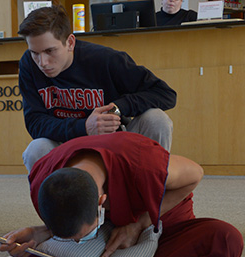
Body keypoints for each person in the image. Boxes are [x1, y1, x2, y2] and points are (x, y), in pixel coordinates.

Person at [0, 132, 244, 257]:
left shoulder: (142, 163)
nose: (76, 243)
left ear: (101, 202)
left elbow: (195, 174)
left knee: (224, 239)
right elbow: (66, 219)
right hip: (103, 235)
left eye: (80, 237)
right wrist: (40, 233)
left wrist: (138, 224)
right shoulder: (44, 175)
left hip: (153, 222)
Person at [18, 5, 177, 173]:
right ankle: (55, 200)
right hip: (66, 143)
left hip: (113, 140)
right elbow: (35, 123)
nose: (42, 62)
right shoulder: (28, 64)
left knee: (156, 119)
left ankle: (151, 189)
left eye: (50, 51)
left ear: (70, 43)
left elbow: (165, 94)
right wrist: (84, 127)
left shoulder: (106, 60)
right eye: (35, 53)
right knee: (36, 149)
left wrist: (118, 107)